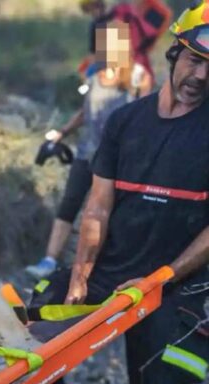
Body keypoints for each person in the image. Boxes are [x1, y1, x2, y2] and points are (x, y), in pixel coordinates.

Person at [25, 3, 209, 384]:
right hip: (111, 270)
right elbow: (98, 208)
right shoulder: (124, 122)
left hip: (180, 288)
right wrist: (82, 274)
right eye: (195, 60)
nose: (202, 76)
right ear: (174, 53)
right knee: (23, 347)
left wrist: (161, 277)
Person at [26, 20, 152, 279]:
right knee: (69, 205)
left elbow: (147, 118)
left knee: (107, 213)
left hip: (119, 161)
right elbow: (85, 112)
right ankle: (49, 261)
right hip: (87, 152)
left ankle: (99, 267)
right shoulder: (94, 73)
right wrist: (62, 133)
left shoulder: (139, 77)